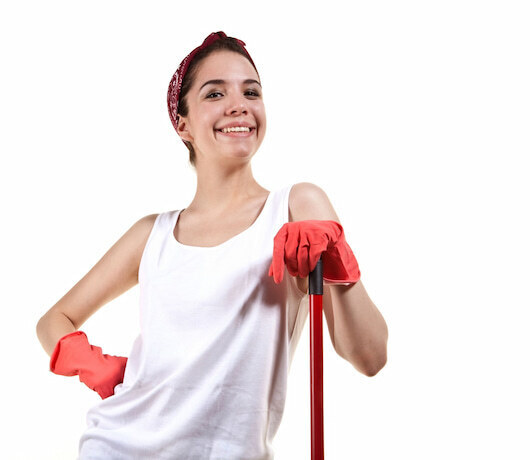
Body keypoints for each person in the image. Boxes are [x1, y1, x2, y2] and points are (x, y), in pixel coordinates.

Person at [36, 31, 389, 459]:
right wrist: (97, 367)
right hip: (119, 447)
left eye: (251, 91)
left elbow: (369, 357)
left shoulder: (298, 206)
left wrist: (337, 260)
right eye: (215, 93)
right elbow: (55, 319)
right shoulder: (153, 235)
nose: (239, 104)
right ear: (182, 125)